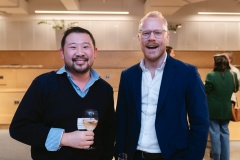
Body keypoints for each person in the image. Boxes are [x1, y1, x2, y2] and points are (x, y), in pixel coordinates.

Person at [9, 27, 116, 160]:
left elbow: (109, 134)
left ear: (95, 52)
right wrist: (64, 138)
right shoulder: (43, 84)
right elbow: (19, 128)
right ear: (62, 53)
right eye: (73, 47)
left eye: (85, 47)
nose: (80, 52)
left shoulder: (105, 90)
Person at [115, 11, 209, 160]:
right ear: (139, 37)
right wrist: (120, 154)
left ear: (167, 37)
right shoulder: (128, 76)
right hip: (135, 156)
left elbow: (200, 122)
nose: (151, 38)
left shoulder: (187, 73)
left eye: (157, 33)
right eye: (146, 33)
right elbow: (121, 120)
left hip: (174, 156)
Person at [205, 54, 239, 160]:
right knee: (225, 132)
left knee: (214, 133)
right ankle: (225, 158)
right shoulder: (233, 75)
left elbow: (206, 90)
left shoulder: (211, 75)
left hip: (213, 109)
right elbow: (235, 88)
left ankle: (216, 156)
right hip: (226, 109)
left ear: (217, 63)